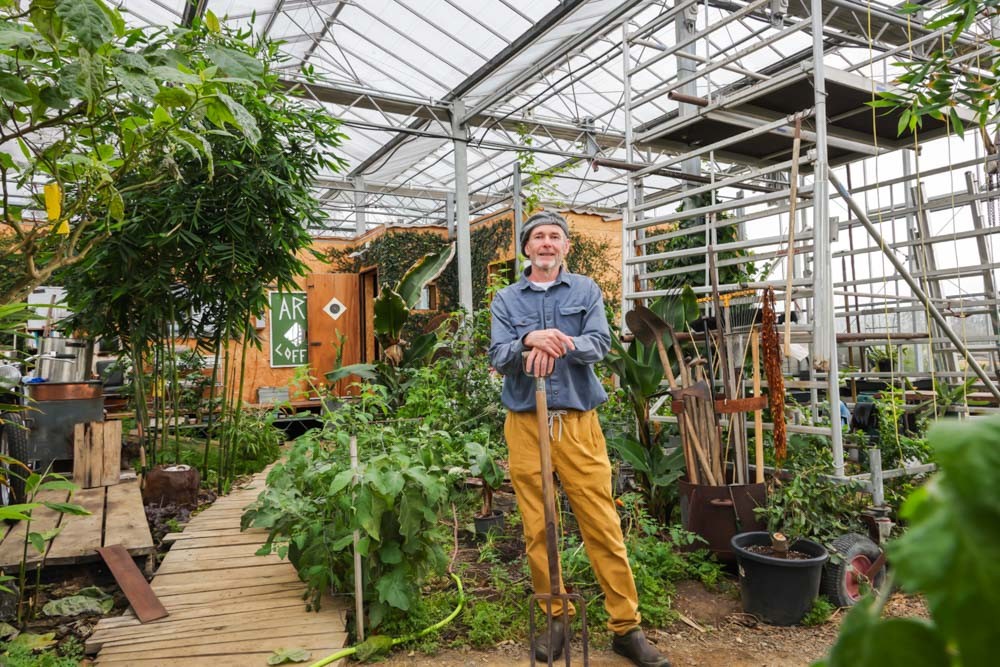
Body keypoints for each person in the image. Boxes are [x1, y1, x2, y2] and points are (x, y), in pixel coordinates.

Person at [489, 211, 671, 667]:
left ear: (565, 247)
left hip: (577, 422)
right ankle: (556, 617)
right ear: (526, 248)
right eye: (538, 238)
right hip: (526, 423)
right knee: (538, 525)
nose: (546, 244)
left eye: (555, 237)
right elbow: (498, 354)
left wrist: (559, 342)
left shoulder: (586, 290)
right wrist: (531, 337)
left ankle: (626, 627)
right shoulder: (507, 299)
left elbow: (600, 344)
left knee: (602, 523)